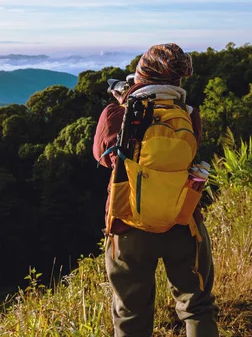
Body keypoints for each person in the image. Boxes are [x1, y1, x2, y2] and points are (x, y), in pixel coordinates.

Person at [93, 43, 219, 336]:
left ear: (140, 76)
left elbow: (103, 156)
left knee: (130, 314)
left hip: (128, 224)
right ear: (178, 80)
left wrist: (122, 102)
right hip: (183, 220)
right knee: (197, 307)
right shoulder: (188, 114)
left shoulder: (117, 114)